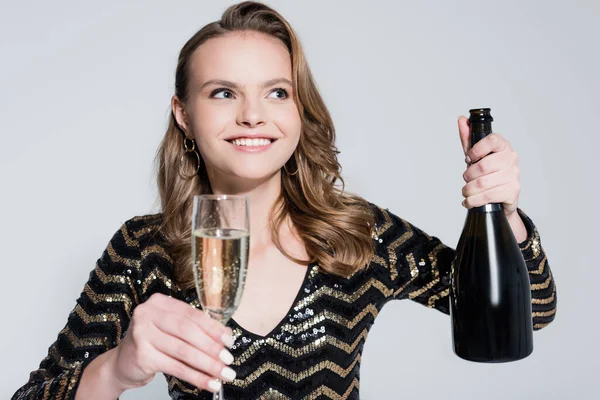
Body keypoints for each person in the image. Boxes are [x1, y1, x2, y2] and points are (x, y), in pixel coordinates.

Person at [12, 2, 557, 399]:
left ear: (299, 110)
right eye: (223, 93)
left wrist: (505, 215)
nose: (253, 115)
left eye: (277, 92)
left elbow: (533, 310)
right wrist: (118, 368)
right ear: (184, 114)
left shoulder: (356, 232)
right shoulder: (143, 247)